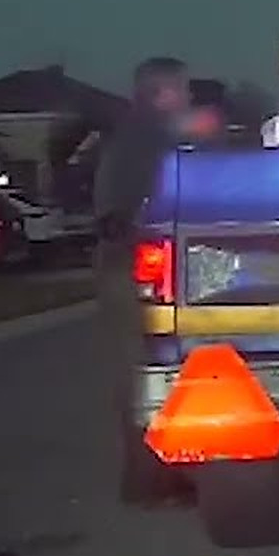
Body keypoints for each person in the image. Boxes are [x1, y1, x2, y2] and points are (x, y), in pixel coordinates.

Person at [92, 55, 222, 505]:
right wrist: (204, 125)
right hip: (129, 268)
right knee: (143, 375)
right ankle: (146, 483)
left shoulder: (137, 133)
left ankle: (161, 475)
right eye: (182, 89)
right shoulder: (145, 133)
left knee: (153, 371)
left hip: (131, 264)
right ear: (162, 92)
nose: (189, 97)